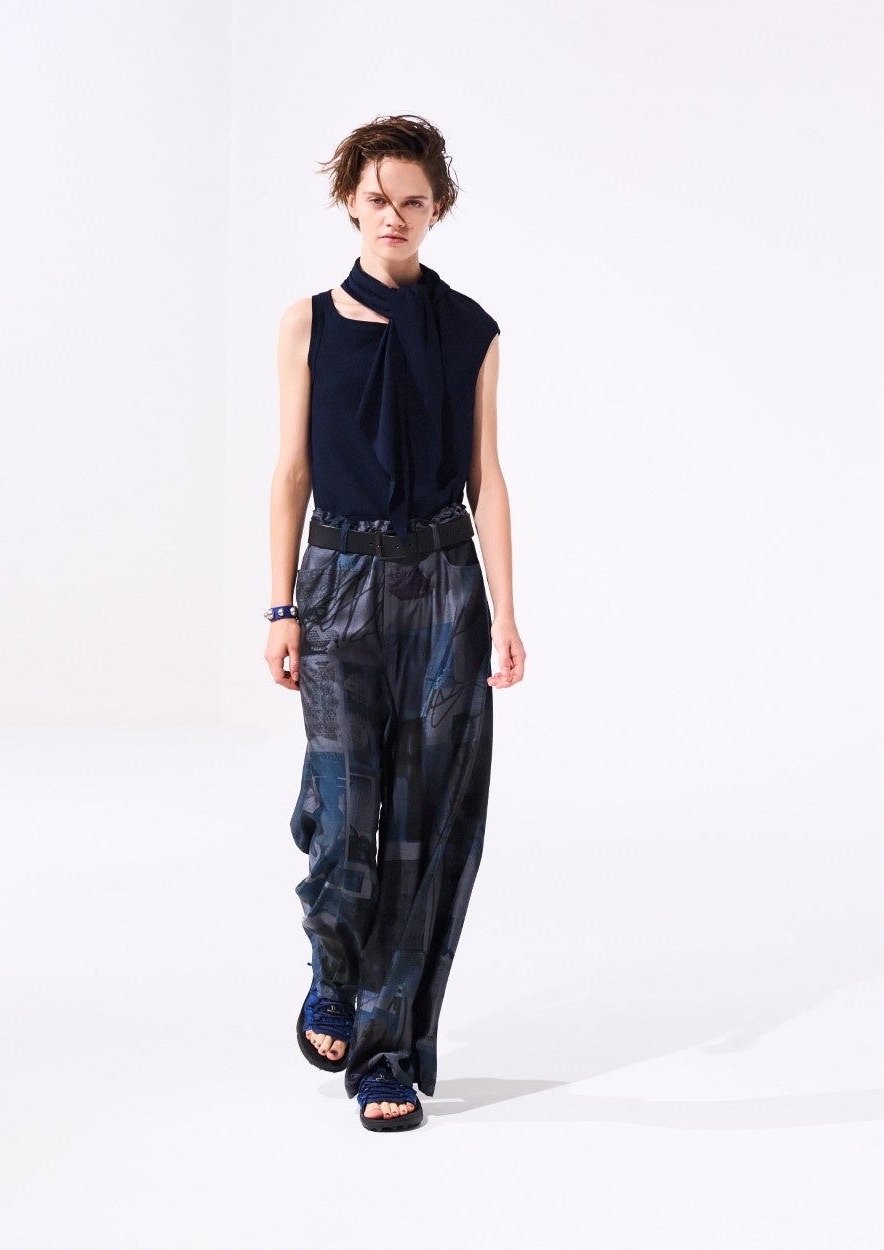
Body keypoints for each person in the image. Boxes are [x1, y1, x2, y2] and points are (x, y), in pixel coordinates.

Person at [264, 115, 525, 1132]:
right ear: (349, 201)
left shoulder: (471, 331)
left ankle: (384, 1053)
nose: (394, 216)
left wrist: (505, 612)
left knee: (422, 828)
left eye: (413, 200)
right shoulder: (306, 324)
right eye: (377, 198)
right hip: (335, 582)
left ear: (437, 209)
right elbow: (291, 471)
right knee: (343, 815)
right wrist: (282, 604)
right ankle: (334, 969)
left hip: (443, 584)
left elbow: (486, 477)